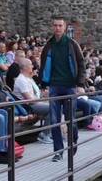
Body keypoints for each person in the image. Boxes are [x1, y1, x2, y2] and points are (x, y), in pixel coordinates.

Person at [37, 16, 85, 162]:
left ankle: (73, 140)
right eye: (55, 25)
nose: (57, 28)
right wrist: (43, 86)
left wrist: (80, 85)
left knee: (71, 120)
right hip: (55, 86)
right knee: (55, 120)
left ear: (64, 28)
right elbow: (44, 66)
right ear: (52, 27)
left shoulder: (72, 44)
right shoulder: (49, 45)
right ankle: (58, 151)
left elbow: (81, 64)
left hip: (70, 86)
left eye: (60, 26)